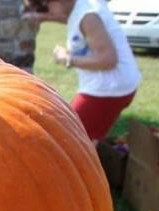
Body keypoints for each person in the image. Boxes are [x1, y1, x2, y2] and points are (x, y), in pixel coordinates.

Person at [26, 0, 141, 141]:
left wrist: (67, 59)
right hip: (115, 85)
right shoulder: (80, 7)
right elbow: (68, 17)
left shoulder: (88, 16)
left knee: (69, 139)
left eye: (43, 6)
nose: (45, 11)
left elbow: (108, 60)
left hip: (108, 89)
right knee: (83, 136)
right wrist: (42, 17)